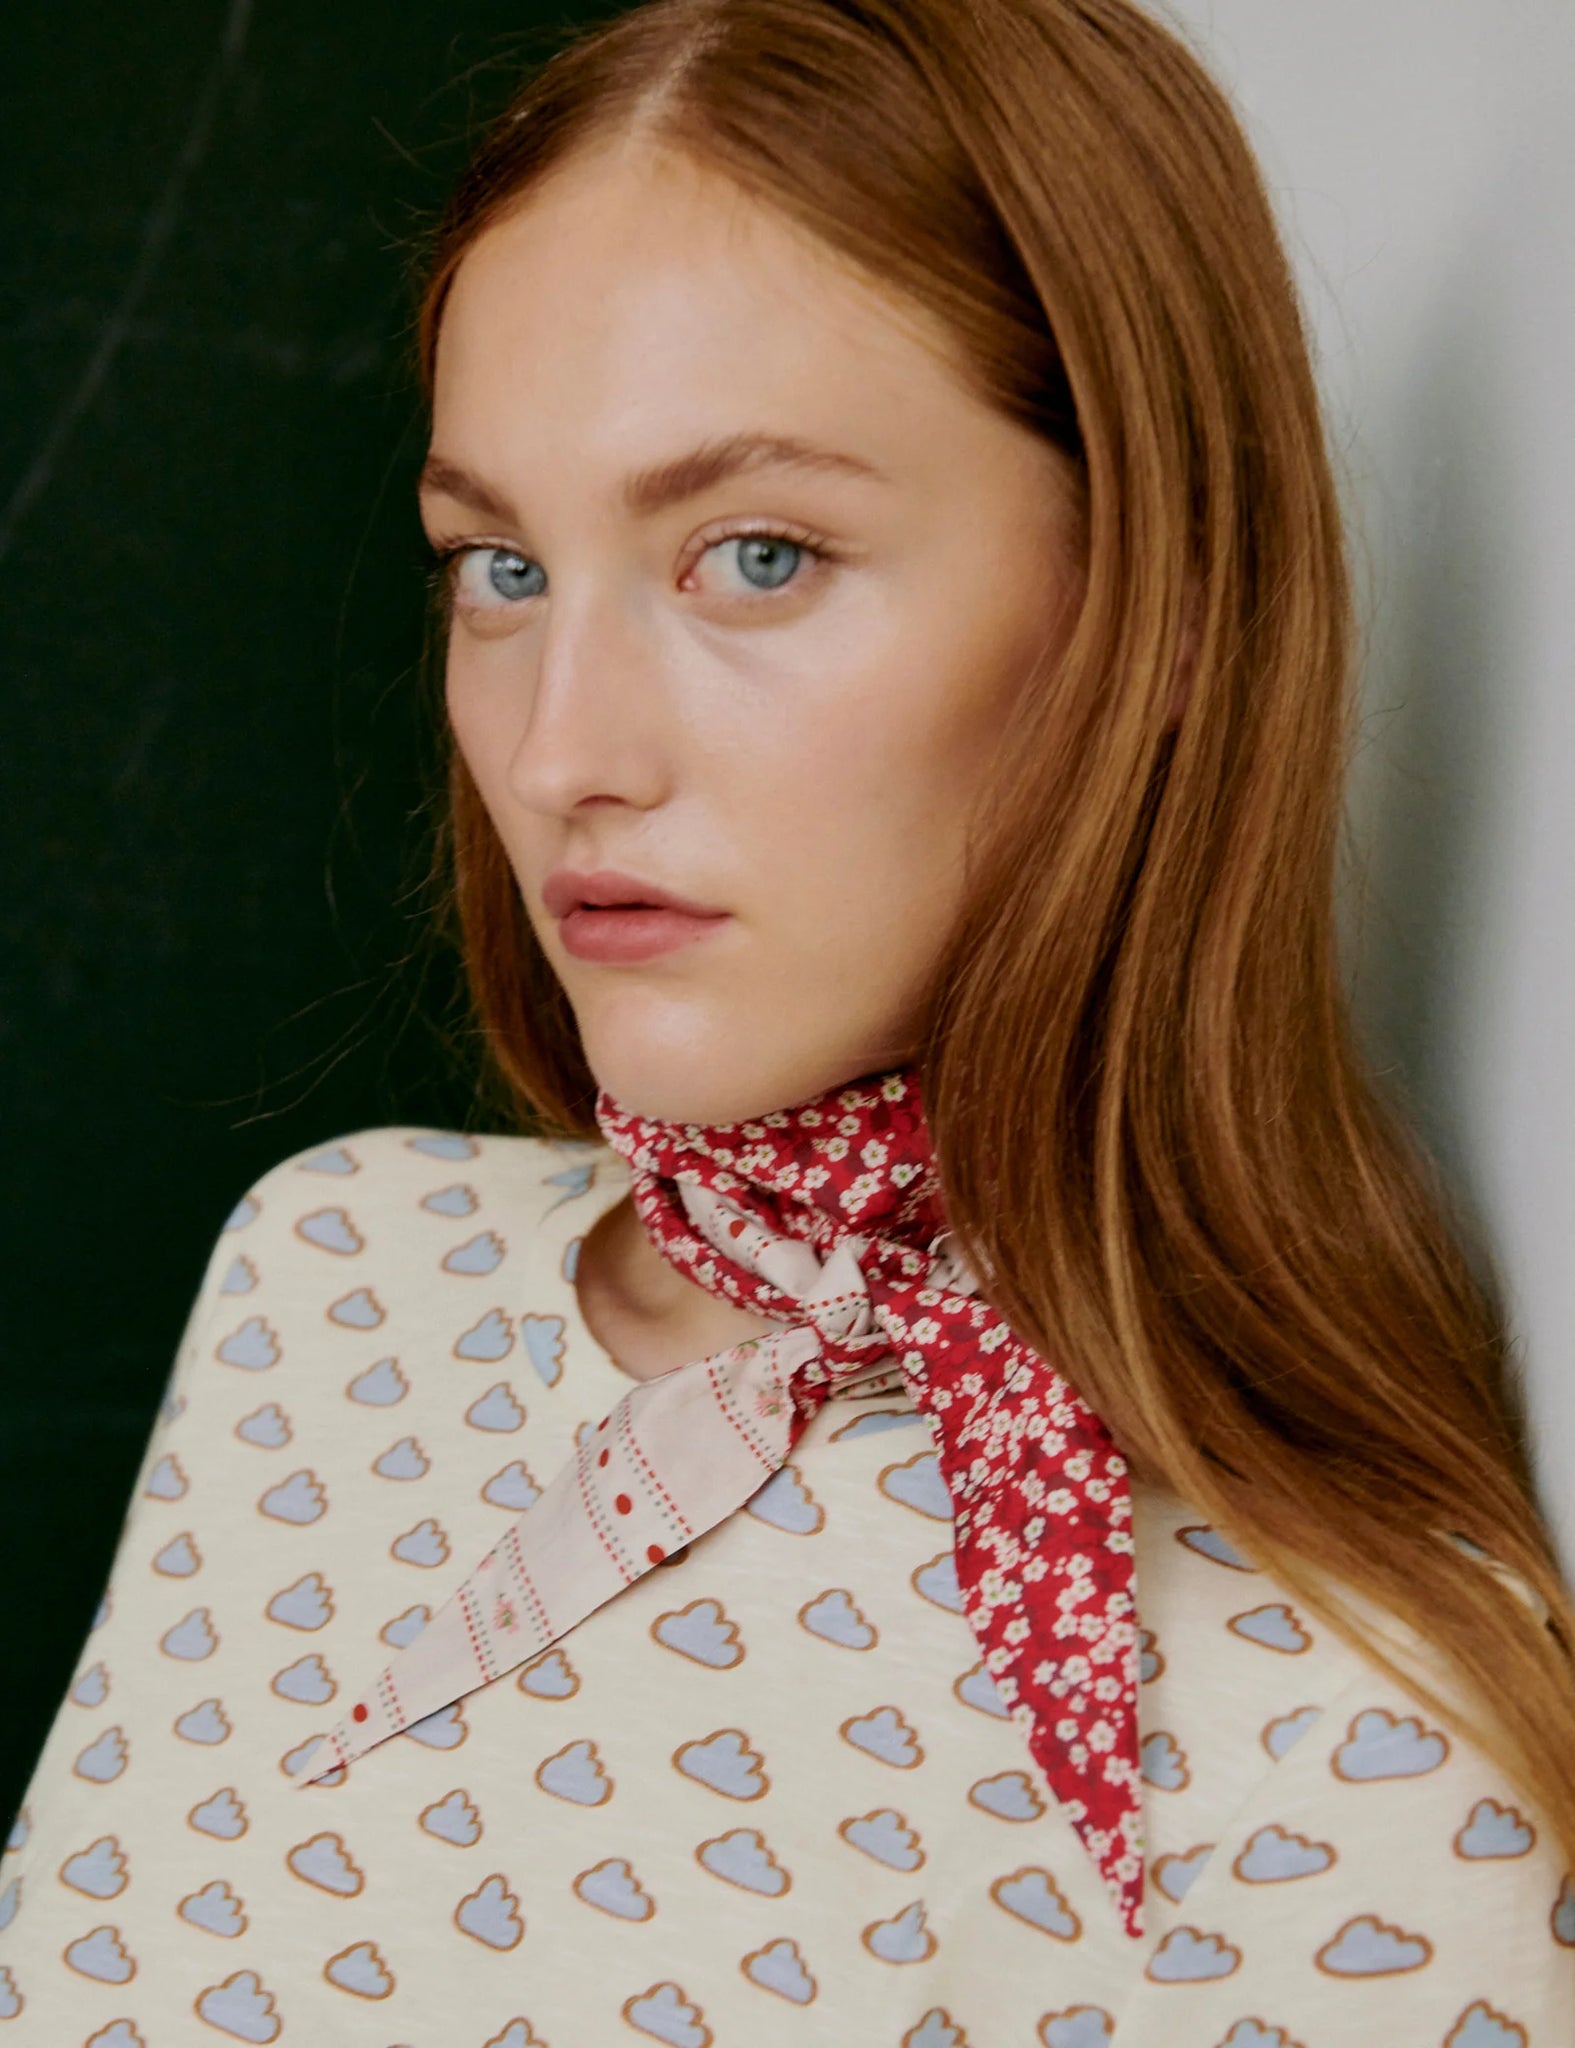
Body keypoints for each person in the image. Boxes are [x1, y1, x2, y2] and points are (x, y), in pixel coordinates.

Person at [3, 0, 1574, 2040]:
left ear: (1158, 605)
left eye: (756, 557)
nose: (560, 751)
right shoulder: (329, 1272)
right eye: (497, 566)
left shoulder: (1361, 1743)